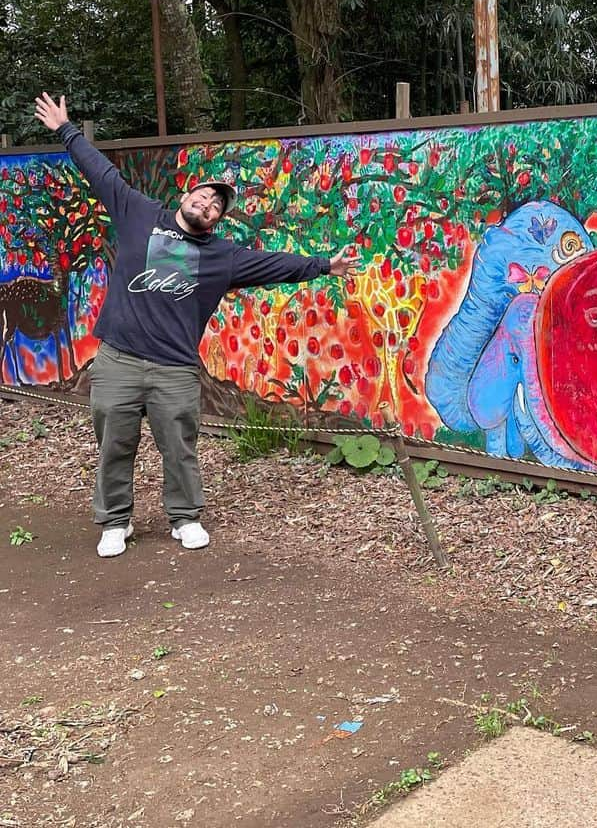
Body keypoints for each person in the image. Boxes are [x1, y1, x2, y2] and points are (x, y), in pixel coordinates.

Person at [33, 92, 361, 558]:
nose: (208, 204)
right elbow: (100, 172)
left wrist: (324, 265)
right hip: (118, 361)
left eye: (216, 207)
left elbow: (275, 265)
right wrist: (66, 130)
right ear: (187, 195)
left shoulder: (222, 257)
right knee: (113, 445)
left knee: (180, 448)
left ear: (217, 221)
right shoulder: (139, 214)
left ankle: (185, 517)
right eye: (205, 195)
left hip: (174, 369)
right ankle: (114, 521)